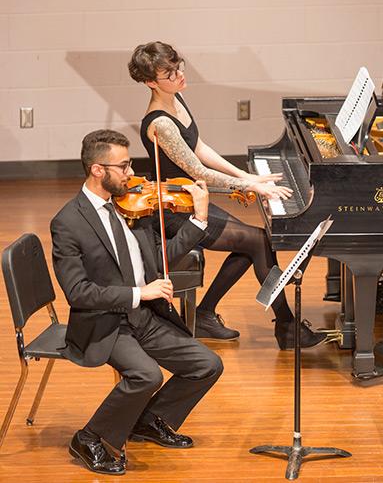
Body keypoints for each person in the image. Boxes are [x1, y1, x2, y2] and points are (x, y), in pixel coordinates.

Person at [127, 41, 324, 347]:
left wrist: (244, 175)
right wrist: (251, 186)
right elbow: (199, 173)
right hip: (175, 210)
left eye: (179, 66)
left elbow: (199, 146)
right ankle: (286, 326)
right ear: (151, 82)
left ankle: (210, 314)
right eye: (170, 73)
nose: (179, 75)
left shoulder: (176, 98)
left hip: (190, 198)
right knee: (258, 241)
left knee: (256, 242)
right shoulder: (160, 123)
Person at [51, 130, 223, 475]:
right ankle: (89, 438)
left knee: (207, 364)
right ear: (98, 170)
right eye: (124, 166)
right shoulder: (68, 223)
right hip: (105, 322)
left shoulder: (130, 210)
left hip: (142, 318)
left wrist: (199, 219)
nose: (132, 174)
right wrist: (138, 293)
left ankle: (148, 420)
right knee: (146, 375)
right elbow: (78, 292)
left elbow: (159, 260)